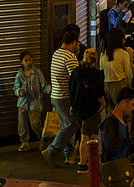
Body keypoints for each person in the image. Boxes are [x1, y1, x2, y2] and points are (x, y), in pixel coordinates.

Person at [44, 32, 80, 167]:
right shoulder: (69, 56)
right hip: (64, 97)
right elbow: (75, 81)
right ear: (74, 42)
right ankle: (51, 150)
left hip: (55, 96)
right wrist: (74, 100)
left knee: (66, 125)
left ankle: (69, 155)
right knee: (72, 125)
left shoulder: (56, 53)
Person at [99, 88, 134, 187]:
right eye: (131, 104)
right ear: (123, 102)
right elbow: (111, 145)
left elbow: (124, 146)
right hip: (113, 169)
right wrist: (132, 141)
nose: (132, 108)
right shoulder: (110, 122)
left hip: (122, 168)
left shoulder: (123, 121)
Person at [69, 48, 105, 173]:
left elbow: (71, 90)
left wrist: (72, 105)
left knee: (86, 135)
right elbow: (97, 92)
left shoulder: (75, 72)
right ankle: (83, 165)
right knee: (85, 137)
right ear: (95, 60)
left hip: (78, 108)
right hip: (91, 109)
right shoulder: (94, 74)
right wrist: (103, 103)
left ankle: (89, 159)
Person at [13, 51, 49, 151]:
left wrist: (51, 90)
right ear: (21, 62)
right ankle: (24, 142)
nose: (28, 62)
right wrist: (19, 92)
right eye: (26, 60)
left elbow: (44, 85)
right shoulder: (19, 74)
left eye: (30, 60)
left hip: (35, 103)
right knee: (22, 125)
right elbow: (15, 87)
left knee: (35, 124)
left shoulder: (37, 73)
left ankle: (42, 139)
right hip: (22, 103)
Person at [100, 28, 133, 105]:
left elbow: (101, 72)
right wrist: (130, 87)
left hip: (106, 86)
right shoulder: (123, 53)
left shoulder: (103, 54)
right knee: (122, 110)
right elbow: (128, 74)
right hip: (119, 85)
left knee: (110, 111)